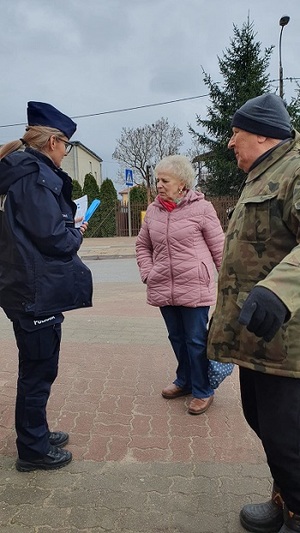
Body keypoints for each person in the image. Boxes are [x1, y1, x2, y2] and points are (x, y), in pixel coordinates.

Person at [207, 93, 300, 533]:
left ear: (262, 134)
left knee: (290, 438)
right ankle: (285, 499)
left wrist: (281, 290)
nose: (230, 143)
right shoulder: (264, 173)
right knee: (262, 422)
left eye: (236, 132)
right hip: (259, 340)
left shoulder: (296, 169)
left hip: (290, 346)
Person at [0, 101, 93, 472]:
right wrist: (76, 230)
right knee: (38, 370)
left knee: (35, 366)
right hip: (33, 289)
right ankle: (33, 449)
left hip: (21, 285)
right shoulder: (34, 177)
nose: (66, 152)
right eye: (66, 145)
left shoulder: (17, 170)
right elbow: (55, 240)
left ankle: (34, 431)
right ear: (53, 141)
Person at [136, 155, 224, 415]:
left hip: (195, 285)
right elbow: (143, 245)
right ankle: (184, 381)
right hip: (163, 284)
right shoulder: (153, 210)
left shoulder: (202, 208)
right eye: (157, 180)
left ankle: (203, 390)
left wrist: (230, 284)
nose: (159, 185)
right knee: (176, 337)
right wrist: (148, 272)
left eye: (165, 180)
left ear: (182, 184)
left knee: (196, 340)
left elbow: (219, 248)